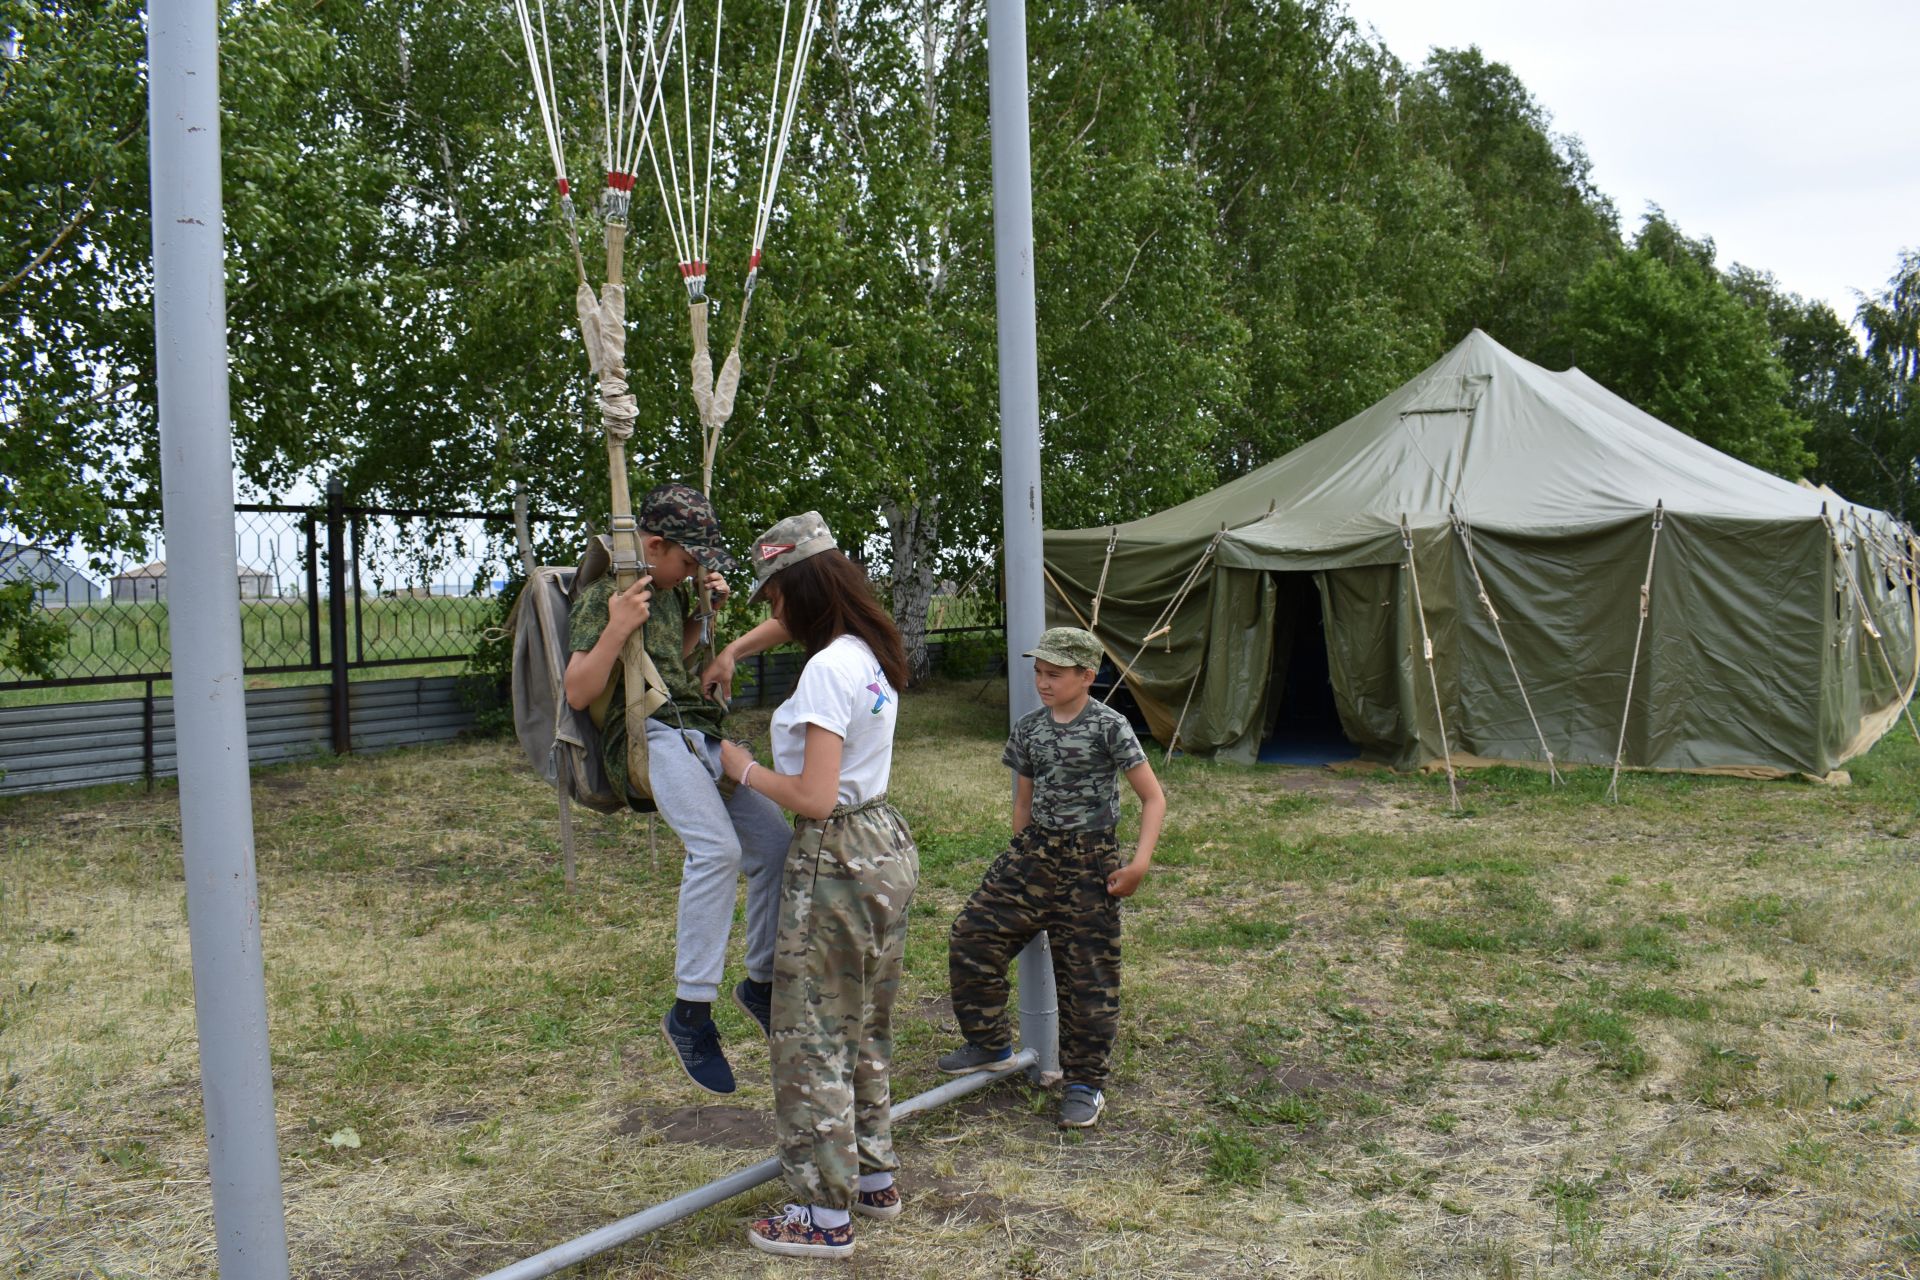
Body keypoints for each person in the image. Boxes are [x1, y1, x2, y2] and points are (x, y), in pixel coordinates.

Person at [710, 512, 917, 1261]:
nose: (769, 615)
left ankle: (820, 1216)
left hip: (835, 855)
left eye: (772, 599)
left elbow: (814, 796)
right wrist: (734, 646)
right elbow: (796, 622)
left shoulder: (826, 670)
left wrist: (739, 767)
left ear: (798, 590)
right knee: (864, 1024)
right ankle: (872, 1177)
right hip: (883, 846)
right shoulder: (863, 648)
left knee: (813, 1037)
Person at [563, 482, 792, 1096]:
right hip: (646, 737)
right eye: (689, 562)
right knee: (716, 851)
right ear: (656, 545)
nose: (693, 572)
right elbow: (580, 691)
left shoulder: (665, 592)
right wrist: (615, 628)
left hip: (697, 728)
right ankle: (689, 1013)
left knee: (774, 845)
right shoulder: (606, 597)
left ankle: (760, 985)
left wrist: (701, 617)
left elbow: (672, 664)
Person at [938, 626, 1166, 1129]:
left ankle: (1084, 1084)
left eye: (1055, 674)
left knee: (1088, 976)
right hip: (1035, 855)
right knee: (973, 935)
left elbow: (1153, 797)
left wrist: (1139, 863)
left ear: (1087, 676)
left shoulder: (1110, 726)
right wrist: (1021, 851)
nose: (1043, 682)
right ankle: (989, 1043)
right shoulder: (1029, 728)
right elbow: (1022, 799)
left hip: (1090, 862)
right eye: (1038, 672)